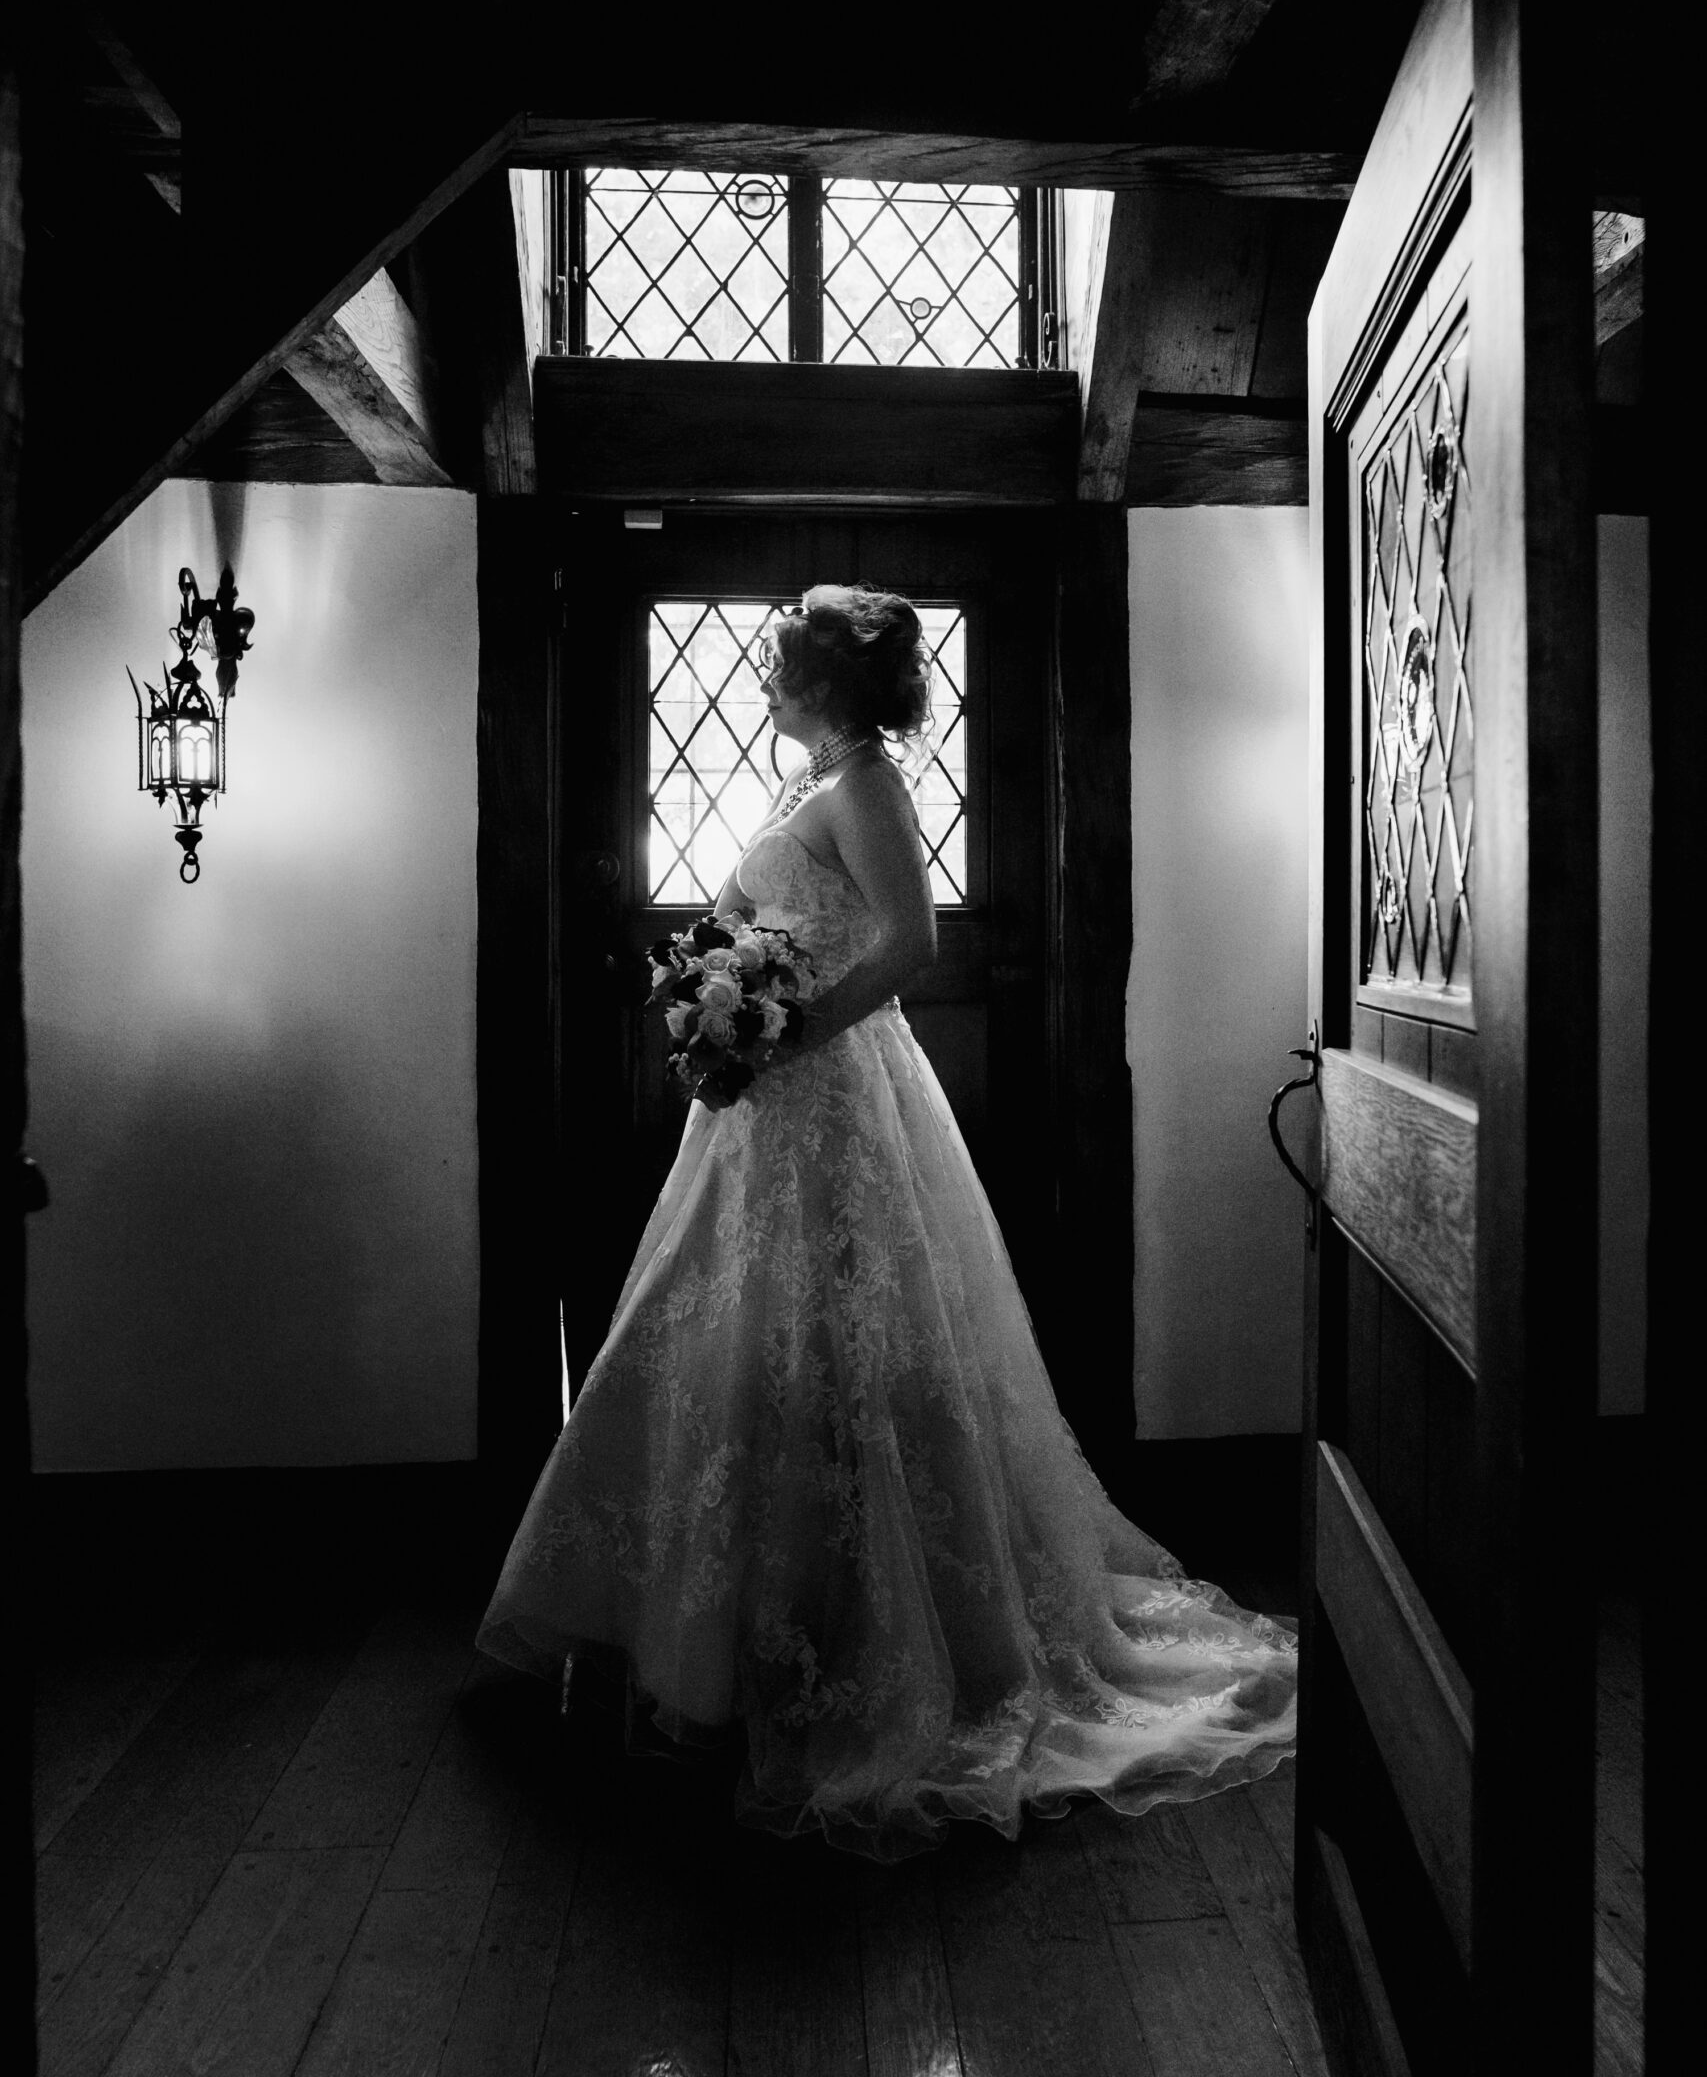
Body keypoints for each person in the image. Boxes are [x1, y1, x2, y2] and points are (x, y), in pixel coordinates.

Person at [478, 583, 1296, 1857]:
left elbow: (910, 943)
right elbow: (798, 924)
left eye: (779, 673)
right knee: (727, 1333)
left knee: (837, 1344)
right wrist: (722, 988)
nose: (762, 688)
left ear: (829, 690)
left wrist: (785, 1023)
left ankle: (850, 1639)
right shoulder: (825, 780)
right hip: (771, 1106)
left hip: (836, 1098)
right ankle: (696, 1629)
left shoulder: (866, 784)